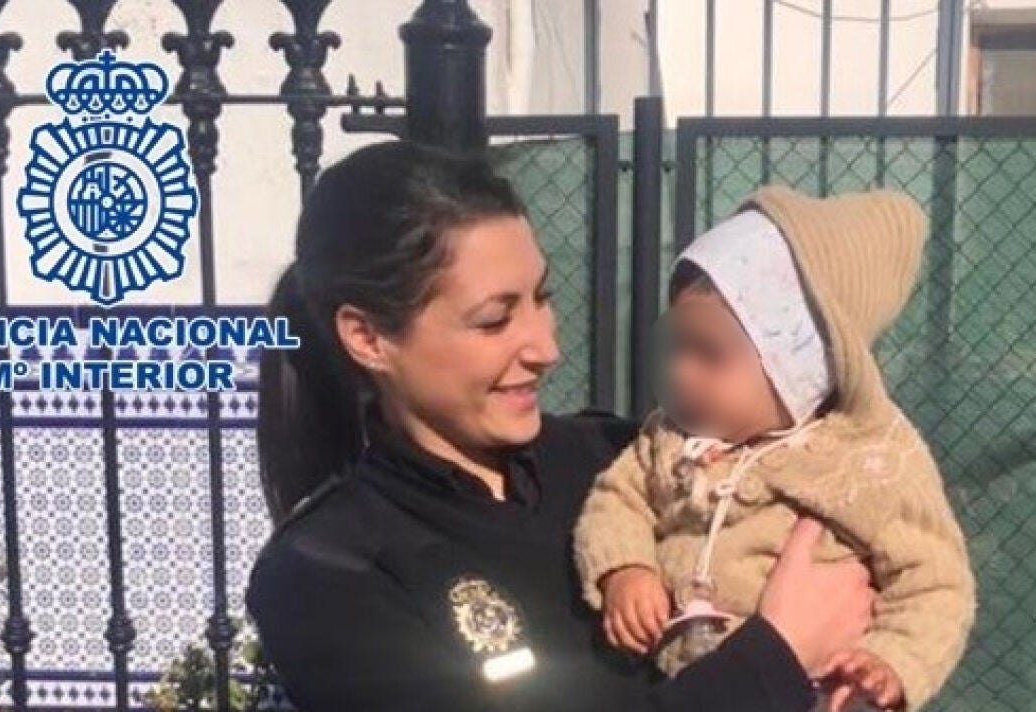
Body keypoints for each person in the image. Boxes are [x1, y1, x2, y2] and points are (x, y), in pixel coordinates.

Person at [246, 140, 875, 712]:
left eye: (541, 298)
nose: (546, 347)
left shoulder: (622, 459)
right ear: (368, 337)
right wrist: (775, 655)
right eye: (494, 321)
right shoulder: (324, 574)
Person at [573, 188, 977, 712]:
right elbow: (616, 499)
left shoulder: (869, 458)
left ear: (799, 364)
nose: (681, 372)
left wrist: (889, 661)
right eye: (678, 346)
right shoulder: (668, 438)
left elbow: (936, 584)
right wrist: (625, 569)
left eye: (709, 353)